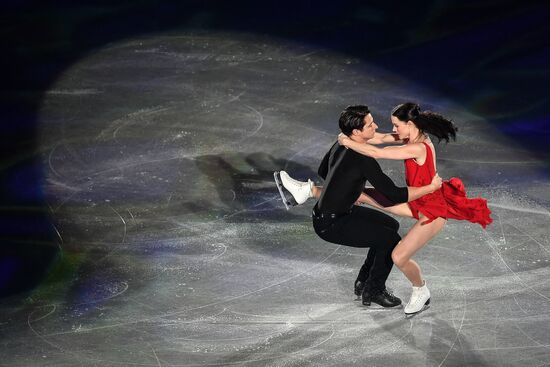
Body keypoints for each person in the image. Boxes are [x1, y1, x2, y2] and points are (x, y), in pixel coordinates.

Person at [280, 102, 492, 315]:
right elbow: (379, 140)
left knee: (395, 248)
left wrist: (346, 140)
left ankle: (419, 290)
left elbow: (377, 153)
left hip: (429, 206)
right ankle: (368, 284)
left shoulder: (416, 146)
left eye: (396, 125)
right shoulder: (410, 135)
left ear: (410, 124)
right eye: (371, 124)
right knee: (382, 222)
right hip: (413, 201)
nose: (391, 130)